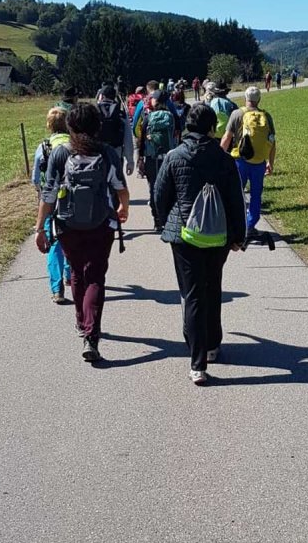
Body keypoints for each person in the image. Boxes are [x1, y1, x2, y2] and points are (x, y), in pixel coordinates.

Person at [155, 103, 246, 385]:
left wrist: (165, 223)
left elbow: (160, 196)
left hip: (184, 236)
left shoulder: (174, 156)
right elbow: (235, 201)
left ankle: (197, 363)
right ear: (211, 128)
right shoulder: (223, 158)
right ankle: (213, 344)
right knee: (212, 287)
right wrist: (238, 237)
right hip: (217, 235)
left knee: (192, 294)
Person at [35, 102, 129, 363]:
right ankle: (91, 335)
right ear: (97, 125)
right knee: (96, 276)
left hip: (68, 225)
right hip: (101, 224)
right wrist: (124, 207)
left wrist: (40, 228)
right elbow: (120, 186)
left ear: (71, 126)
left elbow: (49, 193)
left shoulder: (61, 154)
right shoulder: (107, 152)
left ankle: (80, 322)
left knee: (77, 272)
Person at [221, 85, 276, 237]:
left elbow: (227, 138)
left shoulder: (237, 114)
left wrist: (219, 157)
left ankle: (234, 225)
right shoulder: (266, 116)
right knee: (256, 195)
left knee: (236, 193)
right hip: (258, 162)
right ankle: (250, 226)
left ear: (246, 98)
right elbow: (272, 142)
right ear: (259, 99)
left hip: (240, 160)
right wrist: (270, 162)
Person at [31, 106, 72, 304]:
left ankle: (57, 289)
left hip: (50, 199)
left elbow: (35, 179)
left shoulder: (44, 147)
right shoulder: (75, 143)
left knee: (53, 240)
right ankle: (69, 274)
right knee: (72, 237)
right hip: (71, 198)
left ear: (49, 125)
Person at [137, 90, 176, 230]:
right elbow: (177, 134)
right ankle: (168, 217)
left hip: (152, 158)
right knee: (169, 187)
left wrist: (140, 157)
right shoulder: (171, 116)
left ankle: (157, 220)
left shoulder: (149, 117)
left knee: (153, 187)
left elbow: (141, 139)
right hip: (169, 157)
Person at [98, 83, 135, 173]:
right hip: (116, 154)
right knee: (115, 184)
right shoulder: (120, 113)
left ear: (101, 96)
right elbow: (128, 139)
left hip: (98, 155)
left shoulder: (94, 111)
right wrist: (130, 161)